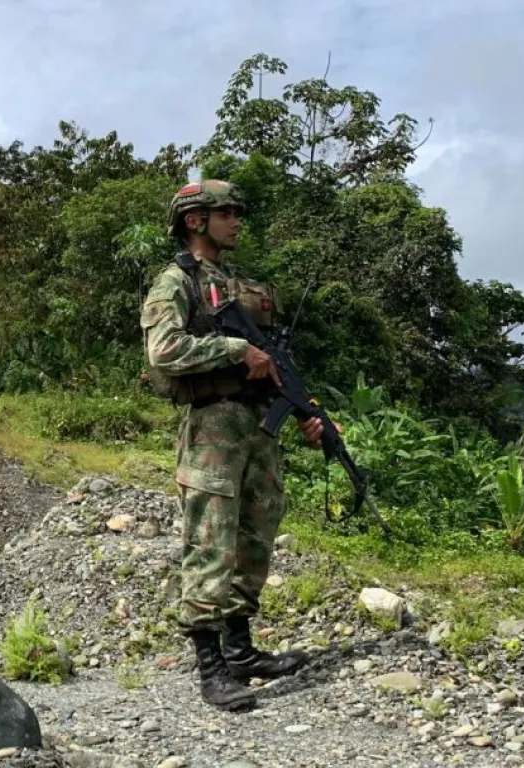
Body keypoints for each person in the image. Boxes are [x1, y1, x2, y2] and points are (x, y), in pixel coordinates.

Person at [139, 179, 329, 712]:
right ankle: (211, 668)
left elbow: (275, 366)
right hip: (214, 428)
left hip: (258, 428)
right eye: (226, 212)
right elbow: (163, 349)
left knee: (255, 531)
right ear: (196, 220)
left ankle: (240, 650)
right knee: (211, 540)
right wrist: (233, 348)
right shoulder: (177, 281)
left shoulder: (244, 285)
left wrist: (305, 416)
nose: (237, 220)